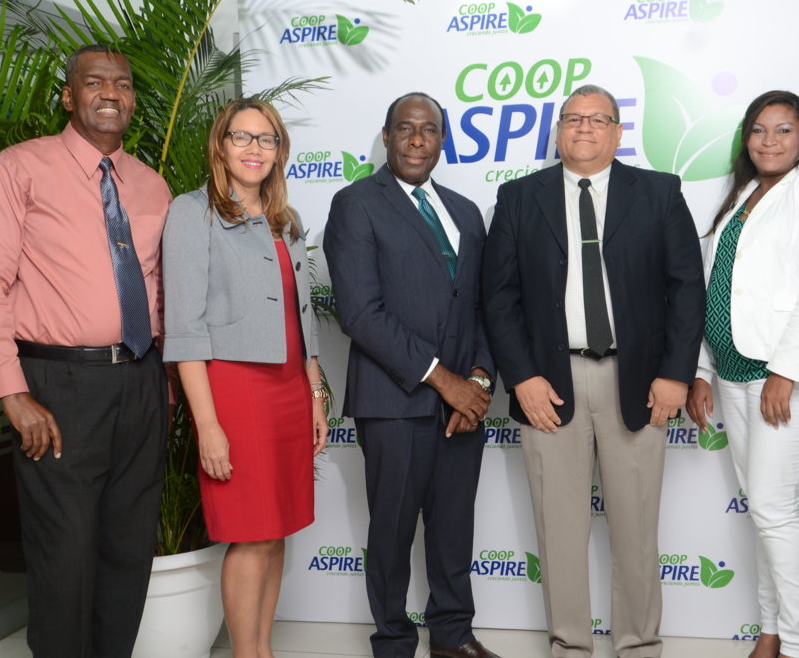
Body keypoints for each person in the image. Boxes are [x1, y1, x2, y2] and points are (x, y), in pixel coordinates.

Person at [482, 84, 705, 658]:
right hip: (548, 385)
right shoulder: (518, 197)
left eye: (597, 119)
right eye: (572, 119)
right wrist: (522, 378)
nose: (584, 128)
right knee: (559, 531)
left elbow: (686, 289)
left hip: (640, 382)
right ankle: (570, 648)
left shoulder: (659, 192)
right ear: (558, 130)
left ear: (617, 131)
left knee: (637, 530)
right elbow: (499, 299)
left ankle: (639, 646)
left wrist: (676, 375)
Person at [0, 45, 171, 658]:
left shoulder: (153, 186)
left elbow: (158, 290)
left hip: (141, 383)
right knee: (65, 551)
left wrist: (163, 389)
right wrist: (13, 392)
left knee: (128, 549)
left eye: (122, 84)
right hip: (59, 386)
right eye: (94, 82)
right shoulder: (22, 167)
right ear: (68, 96)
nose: (110, 93)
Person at [323, 92, 499, 658]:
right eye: (406, 128)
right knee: (392, 532)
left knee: (454, 529)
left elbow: (481, 307)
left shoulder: (465, 212)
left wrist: (479, 381)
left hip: (463, 404)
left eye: (429, 130)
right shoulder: (356, 204)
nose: (417, 140)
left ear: (443, 140)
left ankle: (453, 636)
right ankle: (394, 643)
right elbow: (360, 314)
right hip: (393, 402)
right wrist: (445, 381)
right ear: (386, 136)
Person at [687, 91, 799, 658]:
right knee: (764, 511)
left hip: (785, 377)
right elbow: (717, 287)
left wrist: (787, 370)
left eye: (784, 130)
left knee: (773, 509)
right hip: (733, 374)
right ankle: (770, 632)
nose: (769, 140)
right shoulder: (743, 195)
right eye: (758, 129)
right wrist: (702, 368)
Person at [162, 98, 328, 658]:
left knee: (276, 531)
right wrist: (207, 426)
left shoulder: (286, 219)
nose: (254, 149)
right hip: (235, 392)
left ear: (280, 150)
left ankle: (263, 650)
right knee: (251, 533)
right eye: (242, 137)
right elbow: (185, 330)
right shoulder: (194, 212)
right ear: (221, 144)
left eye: (267, 139)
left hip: (289, 390)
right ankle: (244, 654)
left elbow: (302, 317)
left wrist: (315, 394)